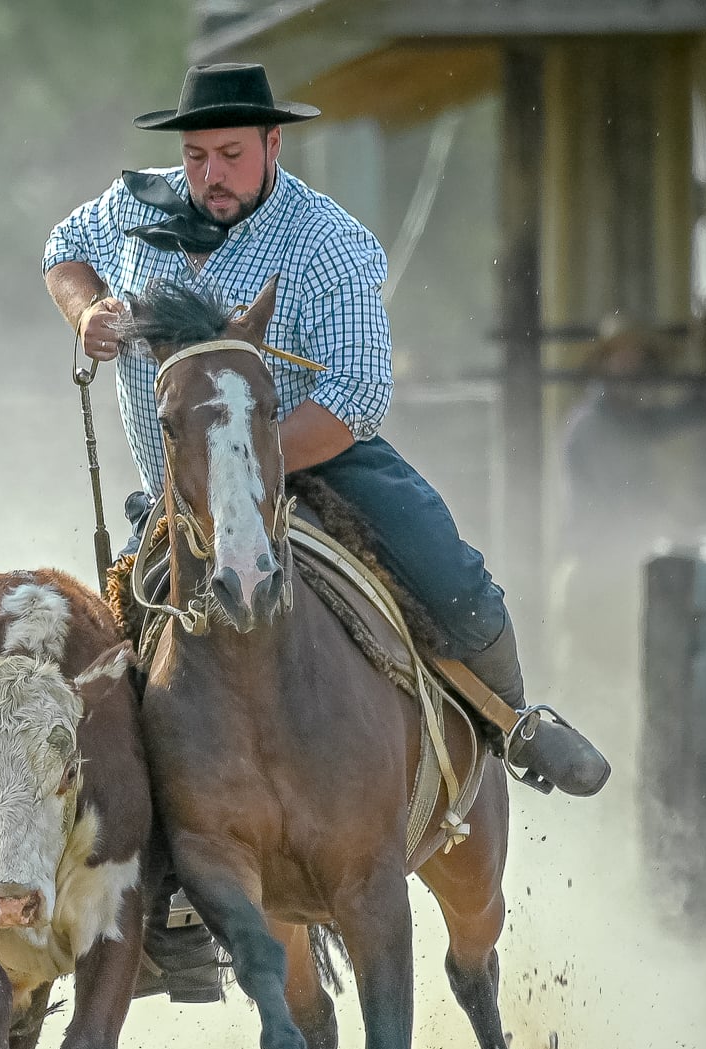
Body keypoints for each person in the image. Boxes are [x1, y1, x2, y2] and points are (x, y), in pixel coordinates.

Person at [43, 62, 608, 798]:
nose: (209, 174)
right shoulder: (131, 205)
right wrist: (87, 311)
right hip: (178, 492)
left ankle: (513, 723)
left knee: (454, 581)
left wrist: (245, 467)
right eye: (196, 155)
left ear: (274, 144)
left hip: (317, 461)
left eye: (231, 156)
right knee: (108, 651)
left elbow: (357, 393)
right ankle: (130, 838)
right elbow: (63, 250)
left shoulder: (326, 241)